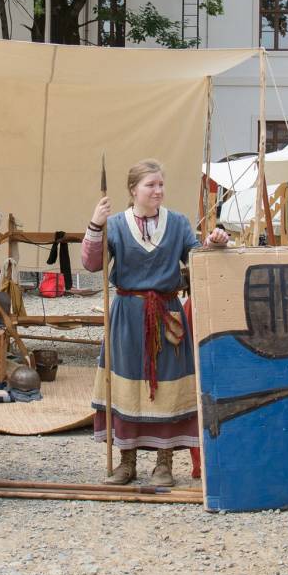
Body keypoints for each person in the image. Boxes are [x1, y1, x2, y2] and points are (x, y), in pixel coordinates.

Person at [82, 159, 228, 487]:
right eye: (151, 185)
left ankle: (164, 464)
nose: (158, 190)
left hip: (166, 315)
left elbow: (196, 258)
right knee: (126, 386)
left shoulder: (177, 223)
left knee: (167, 386)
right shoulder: (115, 225)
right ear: (133, 190)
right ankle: (126, 462)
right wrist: (95, 225)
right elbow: (91, 264)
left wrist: (214, 243)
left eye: (161, 184)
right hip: (127, 317)